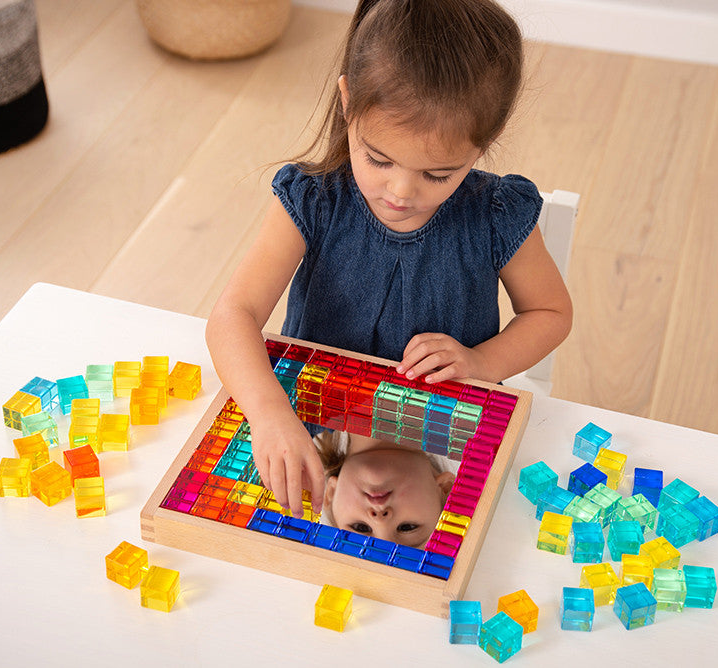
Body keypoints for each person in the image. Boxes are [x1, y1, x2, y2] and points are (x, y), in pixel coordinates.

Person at [206, 0, 572, 520]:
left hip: (441, 423)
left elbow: (551, 312)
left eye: (438, 174)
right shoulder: (315, 198)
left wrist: (483, 363)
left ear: (483, 144)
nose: (400, 192)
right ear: (347, 103)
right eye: (378, 159)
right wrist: (268, 413)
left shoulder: (494, 213)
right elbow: (231, 316)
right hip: (313, 413)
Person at [317, 431, 456, 548]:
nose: (380, 519)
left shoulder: (305, 422)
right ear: (445, 488)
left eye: (361, 527)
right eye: (406, 527)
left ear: (331, 493)